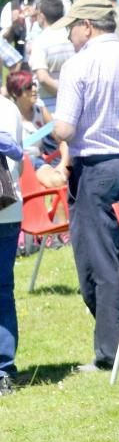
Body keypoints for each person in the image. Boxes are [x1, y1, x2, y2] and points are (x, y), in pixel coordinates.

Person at [50, 0, 119, 371]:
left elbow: (65, 127)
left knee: (100, 261)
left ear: (87, 26)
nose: (70, 35)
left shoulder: (78, 65)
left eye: (72, 28)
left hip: (96, 168)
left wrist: (53, 127)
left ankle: (113, 354)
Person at [6, 71, 68, 189]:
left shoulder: (39, 108)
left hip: (36, 161)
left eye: (34, 84)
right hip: (15, 166)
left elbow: (62, 139)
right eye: (28, 87)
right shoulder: (7, 113)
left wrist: (63, 164)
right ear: (15, 93)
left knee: (60, 180)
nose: (34, 89)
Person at [0, 103, 23, 397]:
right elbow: (17, 151)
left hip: (5, 209)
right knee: (3, 291)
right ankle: (3, 369)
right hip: (7, 206)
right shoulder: (8, 107)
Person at [27, 0, 75, 112]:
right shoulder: (72, 36)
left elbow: (42, 78)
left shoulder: (40, 41)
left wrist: (65, 94)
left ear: (42, 16)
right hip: (75, 106)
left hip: (50, 109)